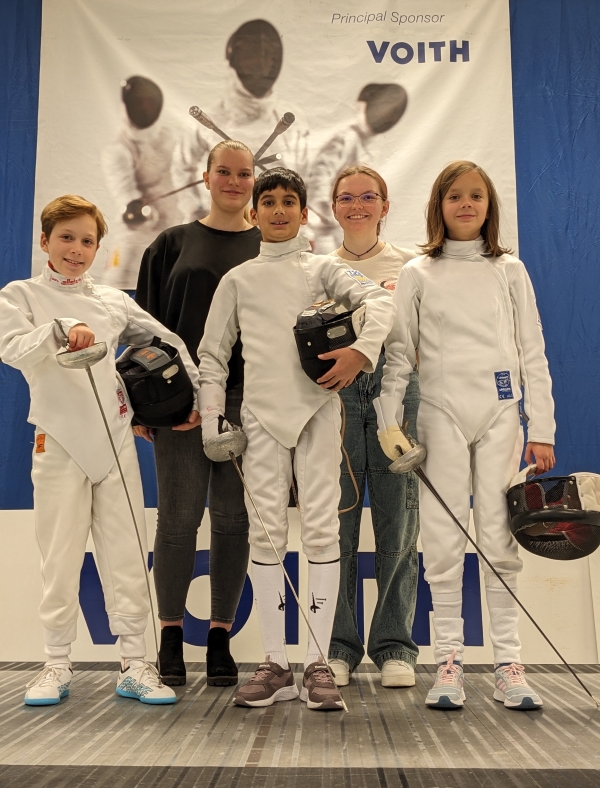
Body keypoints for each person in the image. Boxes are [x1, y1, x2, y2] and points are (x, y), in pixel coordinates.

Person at [197, 167, 394, 711]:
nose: (279, 210)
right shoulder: (237, 280)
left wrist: (362, 352)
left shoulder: (324, 268)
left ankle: (316, 663)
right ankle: (277, 663)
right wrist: (214, 417)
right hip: (260, 421)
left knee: (322, 534)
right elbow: (212, 354)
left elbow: (378, 303)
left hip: (317, 413)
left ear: (305, 214)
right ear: (253, 213)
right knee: (265, 539)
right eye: (270, 202)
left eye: (290, 201)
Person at [0, 195, 200, 706]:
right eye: (66, 237)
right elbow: (12, 349)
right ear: (45, 241)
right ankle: (55, 664)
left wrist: (192, 398)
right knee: (60, 558)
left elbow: (168, 341)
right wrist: (62, 330)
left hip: (114, 444)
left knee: (128, 557)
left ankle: (137, 664)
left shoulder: (112, 301)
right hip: (58, 441)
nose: (77, 249)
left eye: (88, 240)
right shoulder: (19, 296)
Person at [378, 161, 556, 710]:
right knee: (444, 536)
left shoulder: (510, 269)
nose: (466, 204)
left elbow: (532, 350)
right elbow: (400, 352)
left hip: (500, 414)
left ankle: (509, 664)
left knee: (499, 538)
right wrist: (389, 418)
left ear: (489, 205)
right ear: (439, 203)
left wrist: (541, 427)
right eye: (455, 195)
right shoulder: (418, 272)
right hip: (438, 413)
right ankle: (448, 663)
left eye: (476, 196)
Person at [135, 140, 261, 688]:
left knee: (234, 521)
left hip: (247, 403)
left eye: (244, 174)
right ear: (205, 177)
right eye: (224, 172)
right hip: (181, 403)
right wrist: (146, 407)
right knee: (178, 521)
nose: (234, 181)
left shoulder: (269, 245)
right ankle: (167, 640)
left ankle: (218, 640)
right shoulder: (172, 243)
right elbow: (142, 330)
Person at [324, 165, 420, 689]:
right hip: (334, 394)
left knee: (398, 523)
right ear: (333, 207)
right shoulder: (317, 267)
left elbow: (428, 335)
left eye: (368, 197)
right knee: (336, 523)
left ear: (385, 206)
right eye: (346, 197)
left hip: (397, 392)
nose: (357, 205)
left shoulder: (411, 265)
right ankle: (338, 645)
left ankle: (393, 647)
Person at [172, 20, 309, 222]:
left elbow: (307, 178)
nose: (263, 62)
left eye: (269, 54)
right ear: (233, 56)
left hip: (276, 232)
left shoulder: (292, 123)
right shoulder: (208, 122)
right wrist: (195, 210)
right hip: (217, 231)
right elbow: (181, 168)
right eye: (253, 52)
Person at [102, 76, 184, 290]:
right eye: (139, 102)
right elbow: (128, 202)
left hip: (171, 238)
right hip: (134, 241)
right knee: (116, 296)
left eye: (149, 101)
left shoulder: (170, 138)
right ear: (128, 105)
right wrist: (146, 212)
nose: (145, 106)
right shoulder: (119, 151)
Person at [307, 84, 407, 251]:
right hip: (325, 232)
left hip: (344, 229)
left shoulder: (368, 144)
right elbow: (320, 178)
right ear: (362, 107)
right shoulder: (347, 138)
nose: (386, 116)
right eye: (381, 108)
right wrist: (332, 215)